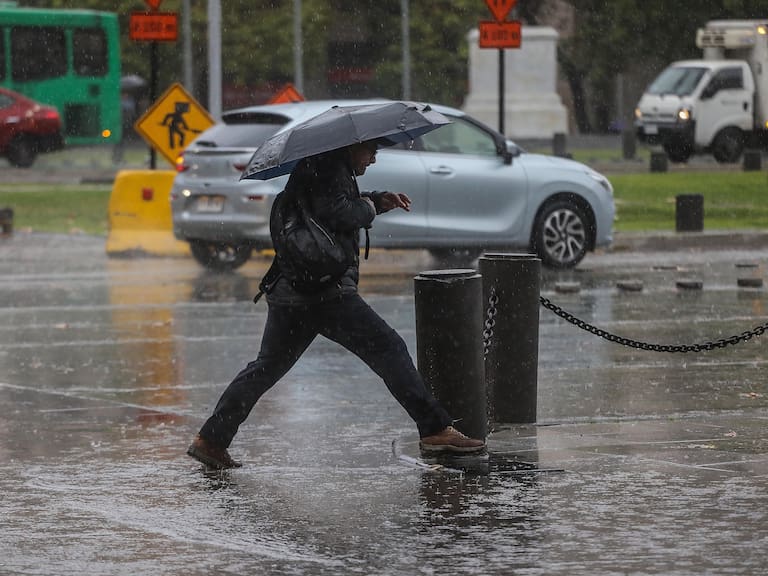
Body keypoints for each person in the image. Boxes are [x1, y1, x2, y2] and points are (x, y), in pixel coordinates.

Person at [187, 139, 485, 469]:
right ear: (352, 146)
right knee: (389, 349)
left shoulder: (322, 164)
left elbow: (328, 207)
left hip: (292, 289)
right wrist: (371, 208)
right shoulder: (329, 168)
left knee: (266, 368)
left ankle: (211, 439)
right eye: (371, 150)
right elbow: (339, 212)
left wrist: (376, 200)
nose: (373, 159)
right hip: (324, 292)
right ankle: (434, 429)